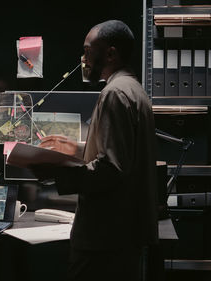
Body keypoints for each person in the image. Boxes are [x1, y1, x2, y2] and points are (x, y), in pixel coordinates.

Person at [35, 20, 158, 281]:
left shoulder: (114, 93)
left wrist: (55, 171)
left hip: (104, 240)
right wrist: (73, 148)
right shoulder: (133, 89)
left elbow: (110, 169)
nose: (84, 59)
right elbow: (122, 152)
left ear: (110, 53)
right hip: (122, 237)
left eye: (88, 50)